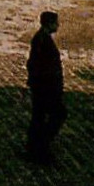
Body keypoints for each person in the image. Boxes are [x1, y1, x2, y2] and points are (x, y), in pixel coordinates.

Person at [25, 10, 65, 164]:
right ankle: (41, 146)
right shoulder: (43, 41)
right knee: (56, 115)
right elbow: (41, 66)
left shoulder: (41, 39)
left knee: (39, 117)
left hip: (41, 87)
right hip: (45, 88)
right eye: (56, 22)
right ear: (50, 24)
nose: (58, 25)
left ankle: (34, 146)